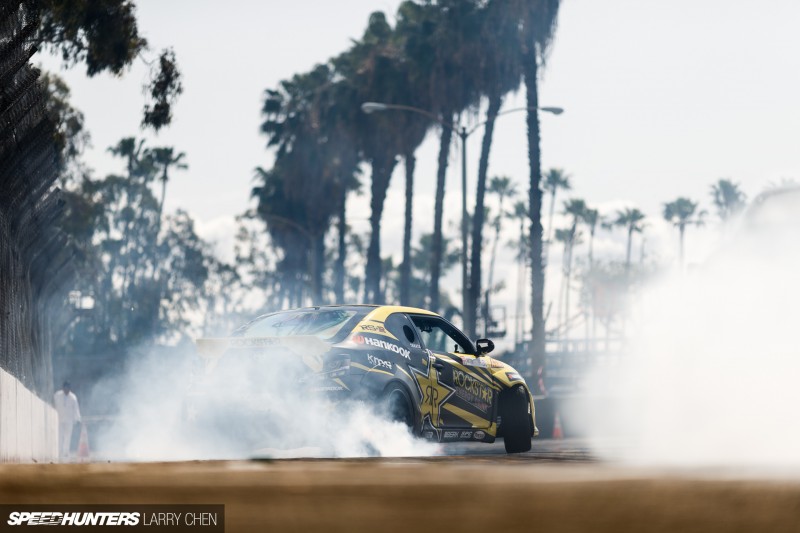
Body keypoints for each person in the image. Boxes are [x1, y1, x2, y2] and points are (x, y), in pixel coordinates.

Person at [53, 381, 81, 460]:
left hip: (69, 420)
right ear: (63, 388)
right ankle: (60, 452)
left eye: (67, 388)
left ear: (69, 389)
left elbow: (76, 409)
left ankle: (66, 452)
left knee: (67, 436)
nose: (66, 390)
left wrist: (78, 418)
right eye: (65, 388)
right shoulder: (57, 395)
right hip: (60, 419)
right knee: (60, 436)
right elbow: (53, 404)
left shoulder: (73, 397)